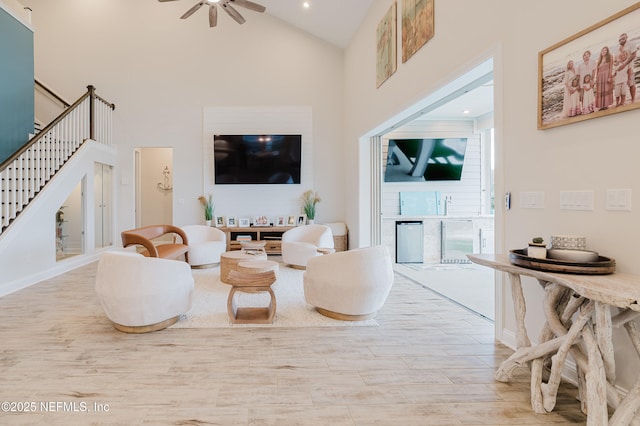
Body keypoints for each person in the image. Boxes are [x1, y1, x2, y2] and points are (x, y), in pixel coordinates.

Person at [615, 32, 638, 103]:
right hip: (621, 70)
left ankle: (633, 99)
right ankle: (622, 101)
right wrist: (617, 64)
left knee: (631, 83)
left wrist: (624, 64)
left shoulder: (631, 44)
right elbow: (617, 59)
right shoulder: (618, 48)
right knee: (622, 84)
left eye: (623, 39)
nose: (621, 40)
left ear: (626, 38)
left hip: (629, 67)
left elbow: (633, 55)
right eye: (620, 40)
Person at [594, 46, 614, 110]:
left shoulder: (610, 57)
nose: (603, 51)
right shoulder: (599, 60)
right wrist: (596, 79)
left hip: (606, 75)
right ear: (601, 52)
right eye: (602, 50)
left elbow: (611, 67)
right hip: (600, 77)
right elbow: (597, 70)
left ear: (607, 51)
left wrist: (609, 77)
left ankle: (606, 105)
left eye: (605, 50)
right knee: (600, 91)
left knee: (606, 89)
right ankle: (601, 106)